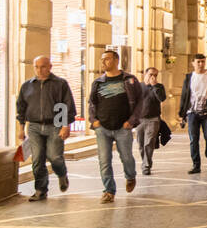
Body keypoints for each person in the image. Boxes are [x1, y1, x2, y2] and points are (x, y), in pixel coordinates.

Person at [15, 55, 77, 201]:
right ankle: (40, 190)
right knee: (37, 160)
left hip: (55, 125)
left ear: (50, 67)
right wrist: (20, 128)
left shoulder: (60, 84)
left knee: (55, 157)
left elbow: (66, 106)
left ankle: (62, 174)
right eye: (36, 67)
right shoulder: (27, 85)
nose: (39, 70)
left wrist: (65, 126)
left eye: (43, 66)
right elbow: (21, 108)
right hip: (34, 127)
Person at [88, 49, 143, 204]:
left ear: (116, 60)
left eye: (107, 59)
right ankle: (108, 191)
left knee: (126, 158)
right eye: (102, 59)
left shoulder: (129, 80)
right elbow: (92, 103)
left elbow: (140, 102)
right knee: (104, 160)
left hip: (122, 127)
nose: (104, 62)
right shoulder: (98, 82)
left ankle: (130, 176)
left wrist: (131, 121)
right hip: (102, 128)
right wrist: (94, 121)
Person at [177, 53, 207, 174]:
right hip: (192, 113)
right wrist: (182, 114)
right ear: (193, 63)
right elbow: (184, 96)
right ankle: (196, 165)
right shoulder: (189, 77)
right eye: (198, 62)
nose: (201, 64)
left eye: (203, 61)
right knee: (194, 139)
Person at [134, 67, 167, 175]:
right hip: (140, 119)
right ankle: (146, 161)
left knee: (149, 143)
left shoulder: (159, 86)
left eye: (155, 75)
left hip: (153, 119)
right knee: (140, 144)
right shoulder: (138, 86)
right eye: (151, 74)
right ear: (145, 74)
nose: (153, 77)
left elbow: (161, 98)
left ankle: (146, 166)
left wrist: (154, 86)